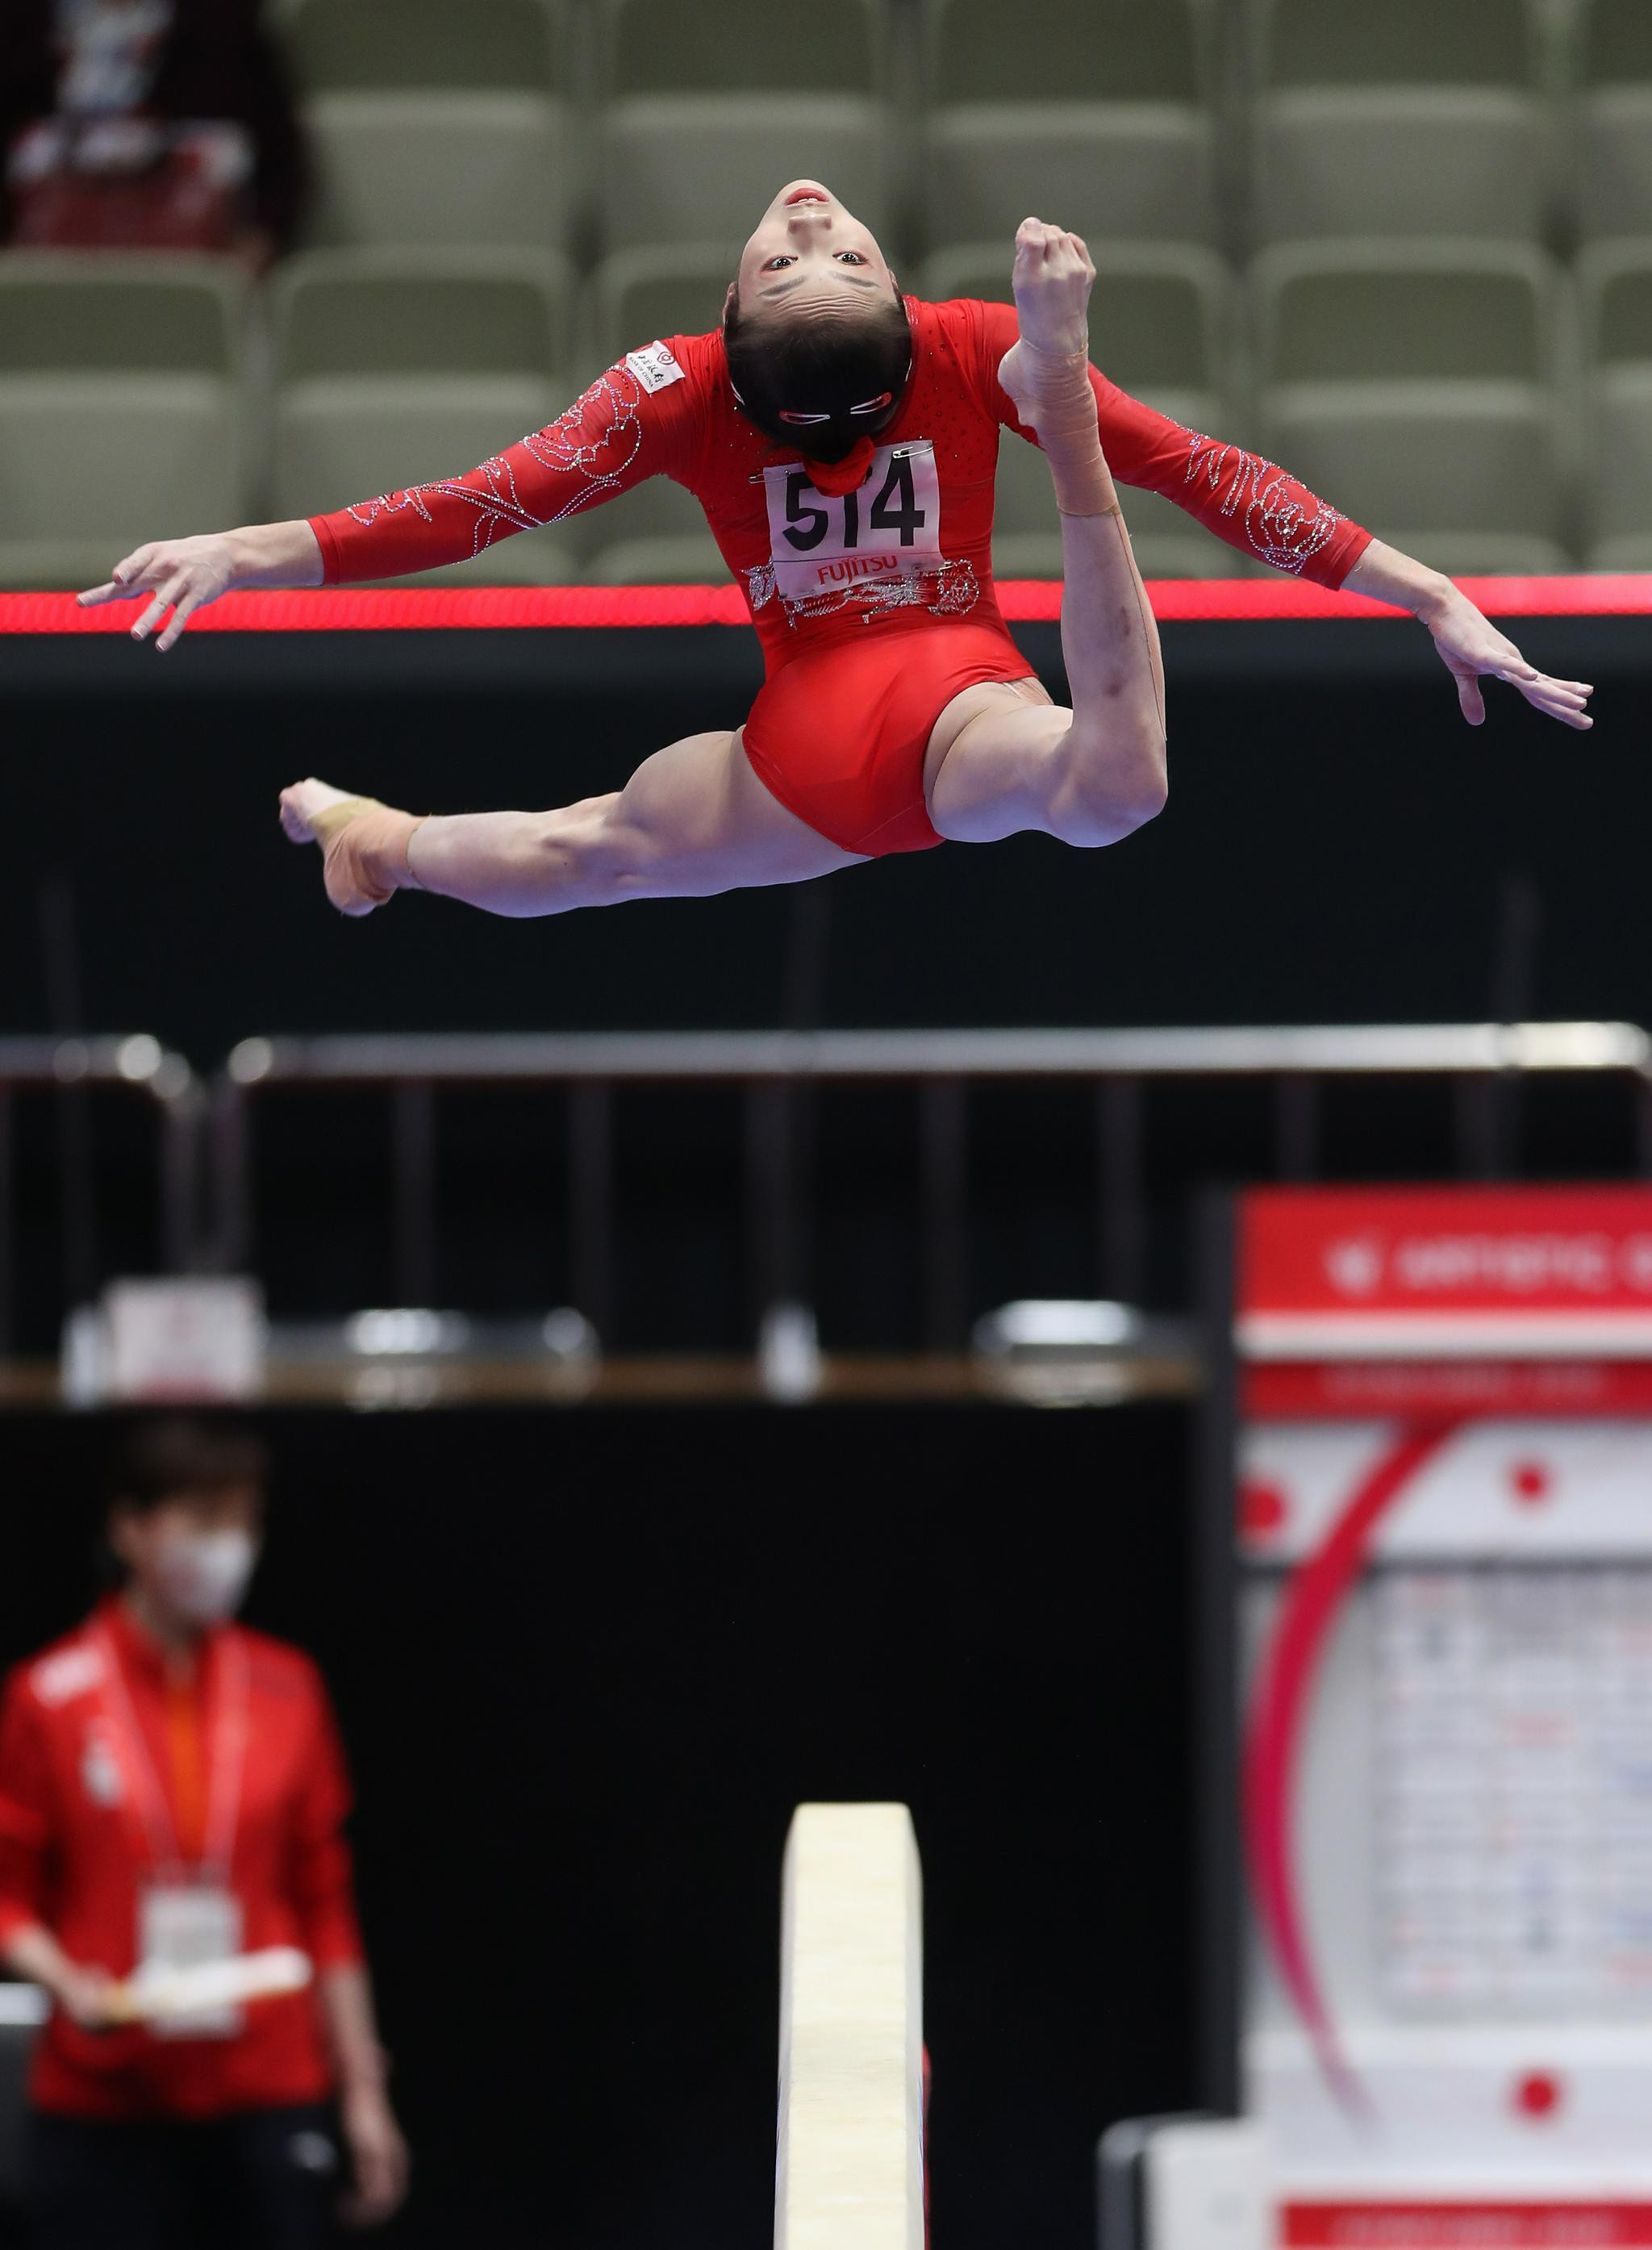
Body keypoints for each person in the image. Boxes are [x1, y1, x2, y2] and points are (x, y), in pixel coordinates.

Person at [77, 183, 1593, 924]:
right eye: (799, 256)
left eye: (832, 253)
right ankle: (374, 837)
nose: (809, 222)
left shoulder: (909, 352)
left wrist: (1432, 592)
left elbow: (1211, 476)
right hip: (870, 720)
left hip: (929, 717)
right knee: (1111, 787)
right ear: (732, 333)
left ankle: (374, 834)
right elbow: (484, 503)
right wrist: (264, 543)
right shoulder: (716, 384)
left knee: (584, 852)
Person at [0, 1417, 408, 2248]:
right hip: (105, 2095)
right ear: (132, 1527)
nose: (228, 1546)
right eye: (203, 1520)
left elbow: (325, 1905)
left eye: (243, 1523)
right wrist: (67, 1980)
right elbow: (6, 1896)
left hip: (265, 2084)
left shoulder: (287, 1687)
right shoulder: (51, 1694)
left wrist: (362, 2089)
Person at [0, 0, 306, 265]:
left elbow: (280, 154)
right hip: (41, 253)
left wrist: (255, 246)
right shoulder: (19, 17)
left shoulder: (222, 17)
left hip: (189, 252)